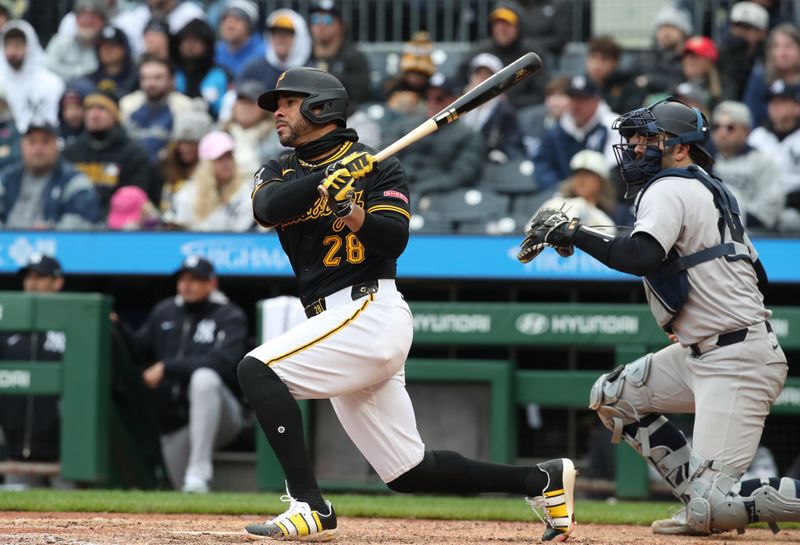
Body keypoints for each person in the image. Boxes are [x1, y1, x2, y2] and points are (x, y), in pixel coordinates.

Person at [238, 66, 576, 541]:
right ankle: (540, 479)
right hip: (334, 322)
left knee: (258, 369)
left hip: (368, 311)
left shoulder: (380, 167)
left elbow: (392, 241)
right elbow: (267, 209)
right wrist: (325, 181)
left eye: (288, 102)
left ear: (321, 106)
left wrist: (350, 209)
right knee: (408, 471)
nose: (277, 111)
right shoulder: (279, 169)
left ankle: (309, 506)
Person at [517, 96, 799, 536]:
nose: (634, 148)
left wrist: (574, 231)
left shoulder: (669, 185)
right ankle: (699, 498)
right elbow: (759, 278)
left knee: (717, 510)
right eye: (633, 140)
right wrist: (696, 319)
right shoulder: (708, 188)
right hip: (710, 350)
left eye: (648, 140)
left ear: (681, 148)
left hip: (735, 361)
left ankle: (708, 501)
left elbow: (640, 255)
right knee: (614, 395)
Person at [127, 255, 247, 492]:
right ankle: (195, 483)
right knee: (178, 488)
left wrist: (167, 367)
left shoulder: (228, 315)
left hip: (225, 414)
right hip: (177, 424)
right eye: (183, 278)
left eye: (196, 279)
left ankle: (199, 471)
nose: (187, 285)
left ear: (212, 283)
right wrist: (116, 326)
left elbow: (225, 363)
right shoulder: (164, 311)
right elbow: (138, 349)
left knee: (204, 378)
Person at [0, 253, 67, 488]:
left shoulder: (72, 324)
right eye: (28, 277)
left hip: (65, 453)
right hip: (16, 450)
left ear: (57, 282)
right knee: (15, 521)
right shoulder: (7, 327)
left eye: (40, 277)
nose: (32, 283)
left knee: (74, 520)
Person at [382, 73, 486, 199]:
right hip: (397, 190)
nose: (431, 103)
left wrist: (418, 190)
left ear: (454, 101)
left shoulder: (468, 135)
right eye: (427, 98)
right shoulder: (404, 126)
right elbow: (385, 159)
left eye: (439, 98)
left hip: (439, 197)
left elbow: (461, 175)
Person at [63, 89, 154, 220]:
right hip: (75, 223)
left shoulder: (133, 153)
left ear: (115, 115)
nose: (94, 115)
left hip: (117, 225)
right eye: (89, 109)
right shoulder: (72, 151)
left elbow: (134, 198)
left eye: (101, 108)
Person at [0, 122, 99, 229]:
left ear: (57, 146)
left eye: (45, 142)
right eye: (32, 142)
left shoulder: (75, 181)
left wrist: (51, 230)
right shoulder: (6, 178)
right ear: (22, 146)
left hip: (54, 244)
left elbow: (82, 223)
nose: (38, 149)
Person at [456, 1, 550, 110]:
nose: (502, 29)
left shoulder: (531, 54)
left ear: (518, 26)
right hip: (479, 110)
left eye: (507, 24)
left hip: (520, 112)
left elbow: (540, 93)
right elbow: (458, 84)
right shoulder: (479, 50)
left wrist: (507, 102)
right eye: (498, 23)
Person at [532, 75, 618, 194]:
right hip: (561, 196)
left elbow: (613, 170)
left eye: (583, 99)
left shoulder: (612, 127)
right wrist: (558, 189)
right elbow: (543, 164)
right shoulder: (556, 131)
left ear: (596, 102)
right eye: (572, 98)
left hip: (600, 197)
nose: (576, 105)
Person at [710, 100, 784, 231]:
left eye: (730, 127)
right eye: (716, 126)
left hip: (754, 235)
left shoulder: (762, 161)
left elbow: (771, 202)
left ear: (746, 131)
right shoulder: (707, 161)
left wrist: (735, 218)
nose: (722, 133)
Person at [162, 130, 254, 231]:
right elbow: (171, 227)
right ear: (206, 164)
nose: (226, 163)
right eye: (219, 159)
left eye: (229, 157)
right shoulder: (188, 193)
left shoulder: (244, 191)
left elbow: (245, 231)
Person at [120, 55, 193, 163]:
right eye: (145, 78)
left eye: (158, 78)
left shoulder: (184, 106)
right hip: (132, 166)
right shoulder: (128, 104)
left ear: (171, 80)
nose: (151, 84)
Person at [0, 20, 65, 133]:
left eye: (18, 46)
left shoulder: (52, 83)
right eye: (8, 45)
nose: (12, 52)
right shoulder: (2, 83)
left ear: (30, 46)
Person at [537, 149, 617, 232]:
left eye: (588, 174)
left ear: (601, 181)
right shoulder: (554, 203)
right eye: (577, 174)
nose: (581, 179)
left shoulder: (614, 215)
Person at [308, 0, 371, 105]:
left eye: (327, 19)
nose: (320, 24)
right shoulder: (304, 55)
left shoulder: (354, 57)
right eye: (315, 19)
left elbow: (362, 93)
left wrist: (330, 79)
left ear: (341, 26)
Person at [172, 18, 230, 119]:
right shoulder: (173, 72)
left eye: (195, 41)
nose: (189, 46)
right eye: (185, 41)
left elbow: (224, 109)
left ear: (207, 45)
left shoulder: (220, 74)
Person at [44, 0, 108, 83]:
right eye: (83, 16)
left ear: (103, 21)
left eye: (93, 17)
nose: (87, 21)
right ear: (76, 20)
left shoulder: (108, 45)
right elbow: (49, 67)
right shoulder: (60, 42)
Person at [718, 1, 769, 102]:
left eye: (748, 28)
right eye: (737, 26)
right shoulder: (720, 55)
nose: (740, 32)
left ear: (762, 33)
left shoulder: (767, 58)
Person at [214, 0, 265, 78]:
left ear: (250, 25)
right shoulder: (216, 51)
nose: (229, 25)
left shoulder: (264, 54)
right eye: (225, 19)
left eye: (237, 19)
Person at [88, 25, 139, 98]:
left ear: (124, 48)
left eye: (112, 45)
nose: (107, 50)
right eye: (102, 46)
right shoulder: (91, 80)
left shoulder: (138, 77)